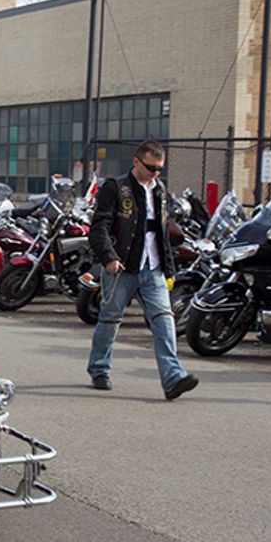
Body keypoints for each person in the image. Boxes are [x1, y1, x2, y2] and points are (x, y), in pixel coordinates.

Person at [86, 140, 198, 400]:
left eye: (160, 169)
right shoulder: (116, 188)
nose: (155, 173)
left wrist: (168, 267)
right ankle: (99, 369)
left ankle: (173, 378)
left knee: (164, 320)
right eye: (150, 167)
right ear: (136, 162)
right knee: (110, 319)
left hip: (153, 267)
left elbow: (161, 231)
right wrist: (109, 258)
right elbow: (98, 227)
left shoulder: (159, 191)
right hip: (122, 267)